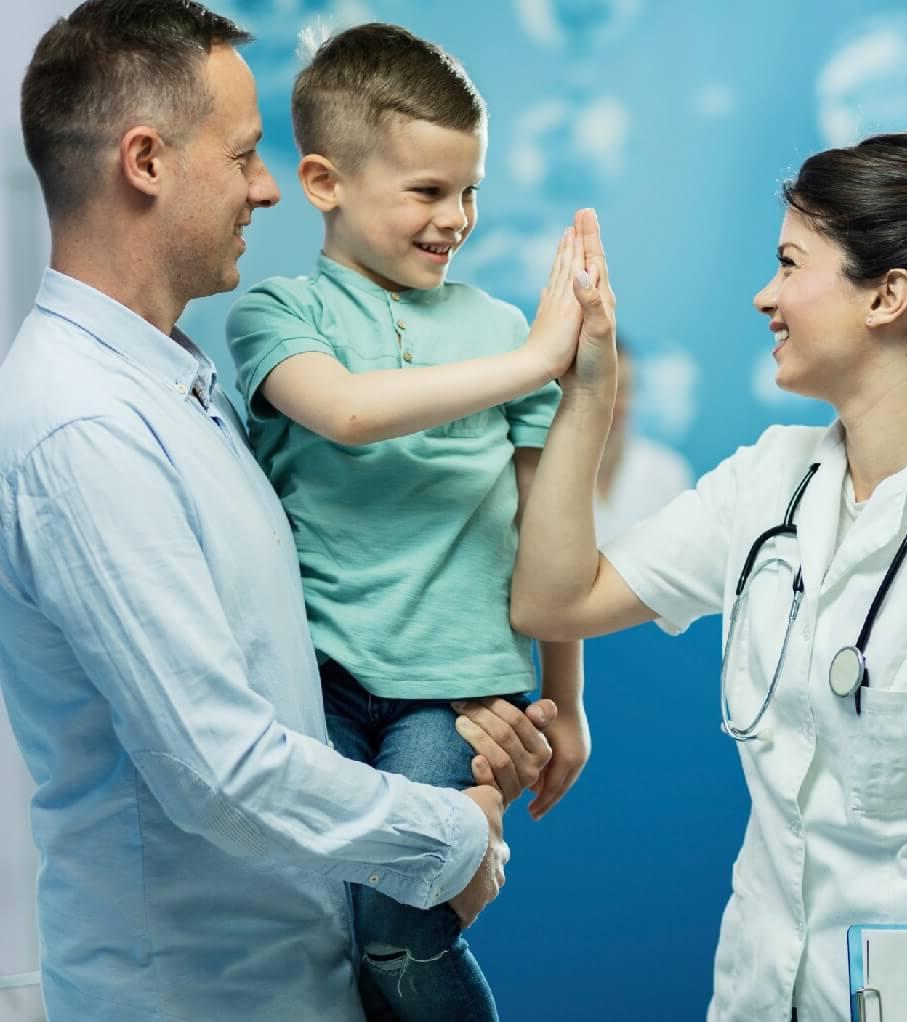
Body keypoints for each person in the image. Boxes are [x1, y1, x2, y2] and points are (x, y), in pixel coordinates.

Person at [0, 3, 554, 1020]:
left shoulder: (180, 385)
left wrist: (459, 751)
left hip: (300, 974)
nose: (267, 186)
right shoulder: (83, 431)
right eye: (248, 155)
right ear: (146, 161)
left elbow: (288, 683)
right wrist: (451, 833)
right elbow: (221, 767)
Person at [509, 138, 907, 1020]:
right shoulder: (768, 482)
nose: (766, 296)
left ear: (887, 296)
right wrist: (589, 396)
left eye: (790, 263)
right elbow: (553, 600)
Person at [224, 23, 589, 1022]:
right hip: (322, 687)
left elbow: (546, 528)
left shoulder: (499, 326)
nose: (457, 218)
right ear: (323, 181)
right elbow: (345, 410)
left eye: (469, 190)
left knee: (394, 920)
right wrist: (537, 361)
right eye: (428, 192)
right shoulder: (274, 315)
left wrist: (568, 700)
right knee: (328, 926)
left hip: (457, 698)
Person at [593, 337, 695, 545]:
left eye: (625, 389)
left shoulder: (667, 472)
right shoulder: (546, 472)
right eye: (606, 390)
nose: (619, 405)